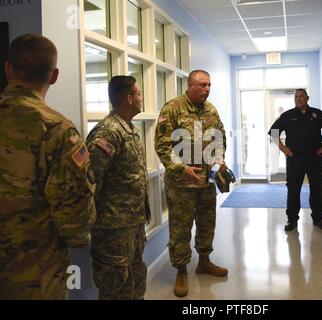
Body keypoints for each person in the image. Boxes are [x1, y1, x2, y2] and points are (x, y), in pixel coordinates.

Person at [0, 34, 96, 299]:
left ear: (8, 68)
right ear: (53, 76)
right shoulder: (57, 130)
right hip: (32, 275)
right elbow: (75, 217)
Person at [155, 70, 228, 298]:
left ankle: (204, 261)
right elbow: (162, 146)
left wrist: (220, 158)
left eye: (209, 85)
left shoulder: (211, 110)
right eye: (203, 85)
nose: (207, 89)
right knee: (180, 228)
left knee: (207, 222)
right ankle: (181, 271)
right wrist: (181, 168)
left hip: (207, 181)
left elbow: (221, 136)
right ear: (190, 86)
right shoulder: (173, 108)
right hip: (181, 184)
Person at [86, 76, 151, 300]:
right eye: (139, 94)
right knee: (114, 287)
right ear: (129, 98)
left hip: (132, 224)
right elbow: (90, 181)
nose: (142, 98)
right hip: (112, 229)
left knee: (135, 278)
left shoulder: (129, 129)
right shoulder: (107, 132)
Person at [268, 89, 322, 232]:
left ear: (307, 98)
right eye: (296, 97)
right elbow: (274, 132)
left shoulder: (317, 114)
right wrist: (284, 149)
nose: (298, 99)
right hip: (295, 159)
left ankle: (318, 218)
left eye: (301, 96)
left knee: (317, 189)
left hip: (314, 158)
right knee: (293, 190)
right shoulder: (287, 116)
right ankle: (292, 220)